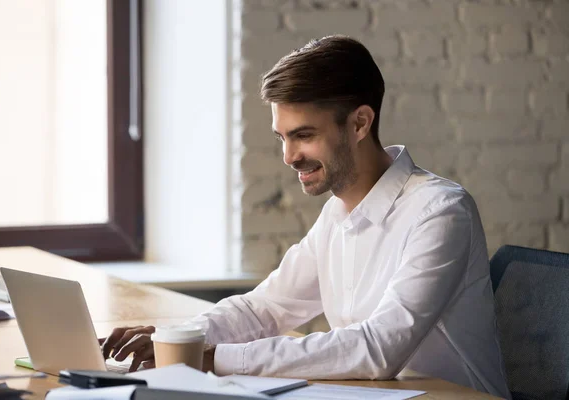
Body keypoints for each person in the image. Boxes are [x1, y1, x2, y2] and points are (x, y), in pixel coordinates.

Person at [100, 35, 510, 398]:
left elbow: (379, 348)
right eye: (283, 137)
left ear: (360, 123)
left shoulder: (440, 211)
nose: (289, 157)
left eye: (304, 135)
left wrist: (213, 358)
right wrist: (179, 339)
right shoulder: (338, 214)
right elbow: (265, 308)